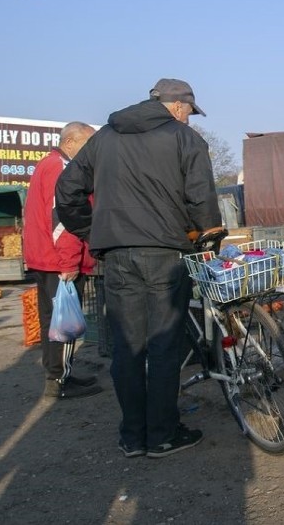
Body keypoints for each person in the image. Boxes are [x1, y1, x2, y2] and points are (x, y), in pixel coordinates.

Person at [55, 78, 223, 459]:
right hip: (166, 252)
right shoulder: (184, 138)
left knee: (128, 348)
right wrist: (210, 237)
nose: (190, 120)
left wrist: (92, 231)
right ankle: (162, 434)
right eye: (190, 113)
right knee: (164, 346)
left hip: (116, 254)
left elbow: (67, 190)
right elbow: (202, 199)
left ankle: (133, 436)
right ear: (179, 107)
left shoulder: (105, 136)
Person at [23, 121, 103, 400]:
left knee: (51, 321)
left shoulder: (46, 164)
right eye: (88, 144)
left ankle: (57, 374)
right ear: (71, 142)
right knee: (64, 322)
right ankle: (59, 380)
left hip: (44, 258)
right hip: (59, 261)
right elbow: (63, 221)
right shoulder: (64, 168)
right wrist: (69, 262)